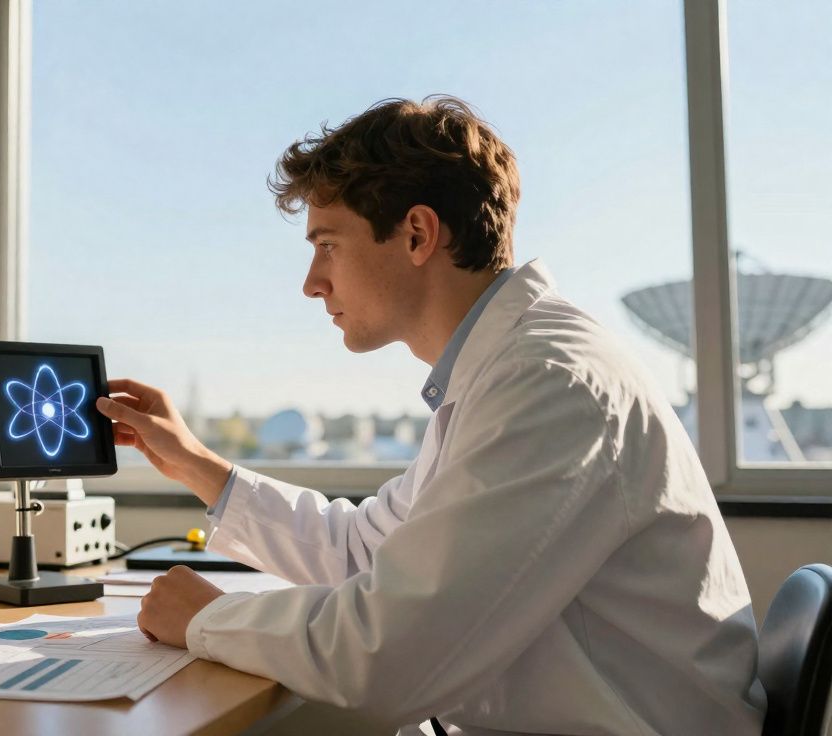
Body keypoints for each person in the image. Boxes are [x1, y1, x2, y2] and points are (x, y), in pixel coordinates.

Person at [95, 96, 766, 734]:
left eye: (327, 244)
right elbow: (362, 550)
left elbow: (387, 655)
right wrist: (193, 464)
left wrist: (208, 620)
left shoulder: (547, 383)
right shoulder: (500, 372)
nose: (311, 283)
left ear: (417, 234)